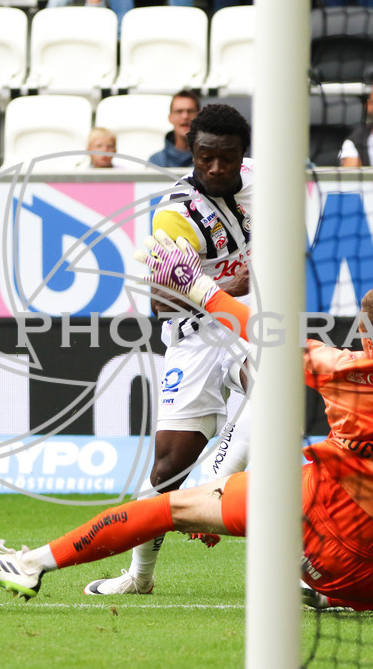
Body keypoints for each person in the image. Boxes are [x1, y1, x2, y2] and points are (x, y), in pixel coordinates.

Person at [0, 200, 373, 615]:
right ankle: (324, 584)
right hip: (351, 560)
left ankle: (34, 564)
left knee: (169, 507)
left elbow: (262, 331)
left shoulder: (342, 370)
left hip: (293, 506)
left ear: (369, 339)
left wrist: (196, 286)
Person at [79, 103, 251, 596]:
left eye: (228, 157)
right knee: (167, 469)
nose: (216, 167)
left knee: (274, 393)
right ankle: (139, 576)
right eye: (204, 157)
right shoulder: (176, 215)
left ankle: (224, 482)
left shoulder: (262, 183)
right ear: (191, 153)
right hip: (195, 337)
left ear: (243, 156)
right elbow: (160, 297)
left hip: (252, 326)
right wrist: (230, 287)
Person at [148, 90, 199, 169]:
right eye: (179, 111)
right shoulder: (156, 161)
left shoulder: (210, 161)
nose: (185, 116)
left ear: (199, 116)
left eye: (190, 111)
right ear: (170, 118)